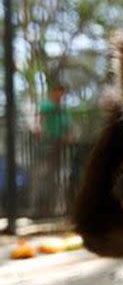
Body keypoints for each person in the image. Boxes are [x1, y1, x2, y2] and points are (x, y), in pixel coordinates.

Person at [32, 84, 73, 217]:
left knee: (58, 177)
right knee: (44, 175)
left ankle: (55, 208)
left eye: (62, 93)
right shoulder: (46, 106)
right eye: (58, 92)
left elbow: (68, 128)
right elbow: (39, 120)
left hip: (59, 148)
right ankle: (39, 208)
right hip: (47, 145)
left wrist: (69, 136)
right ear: (52, 92)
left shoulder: (63, 110)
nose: (60, 95)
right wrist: (39, 130)